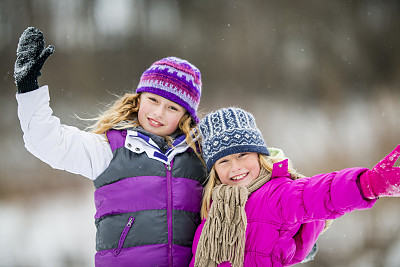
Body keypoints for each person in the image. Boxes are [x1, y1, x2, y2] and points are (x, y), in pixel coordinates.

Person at [14, 27, 208, 267]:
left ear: (186, 116)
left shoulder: (199, 157)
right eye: (153, 100)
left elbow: (247, 171)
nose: (158, 113)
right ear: (139, 99)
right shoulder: (111, 148)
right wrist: (28, 89)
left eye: (172, 107)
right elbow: (48, 142)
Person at [190, 107, 400, 267]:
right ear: (214, 169)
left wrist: (367, 184)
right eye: (223, 161)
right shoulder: (214, 208)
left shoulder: (277, 194)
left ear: (259, 154)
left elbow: (320, 193)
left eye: (242, 155)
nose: (235, 167)